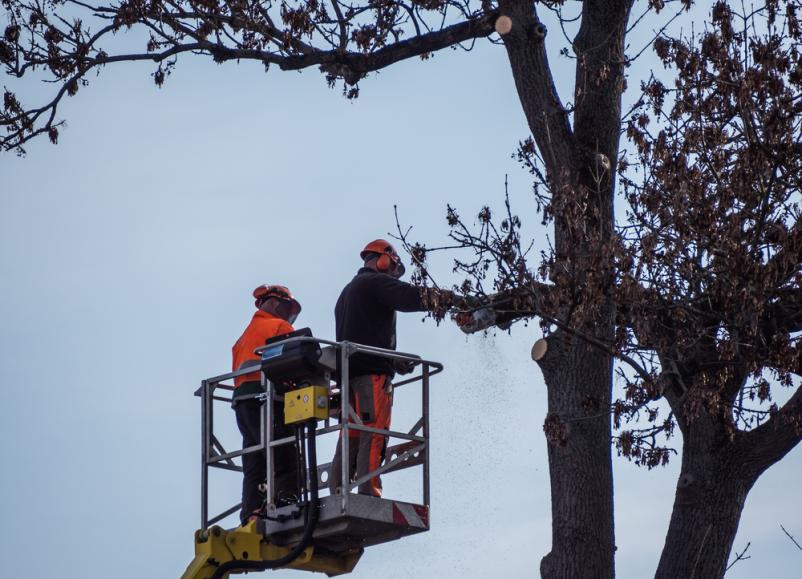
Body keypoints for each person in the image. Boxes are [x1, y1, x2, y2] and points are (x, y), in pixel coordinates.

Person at [330, 239, 453, 497]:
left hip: (349, 376)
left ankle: (338, 491)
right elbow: (409, 296)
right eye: (394, 270)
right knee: (374, 432)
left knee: (351, 434)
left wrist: (393, 359)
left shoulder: (346, 292)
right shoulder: (375, 282)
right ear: (384, 259)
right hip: (371, 375)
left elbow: (362, 334)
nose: (394, 276)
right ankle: (369, 491)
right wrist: (448, 300)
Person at [231, 284, 302, 524]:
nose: (289, 314)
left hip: (243, 402)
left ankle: (251, 512)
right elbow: (295, 365)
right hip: (267, 399)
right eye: (287, 307)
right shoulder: (279, 327)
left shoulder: (244, 336)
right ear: (274, 303)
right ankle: (286, 503)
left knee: (255, 457)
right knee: (283, 451)